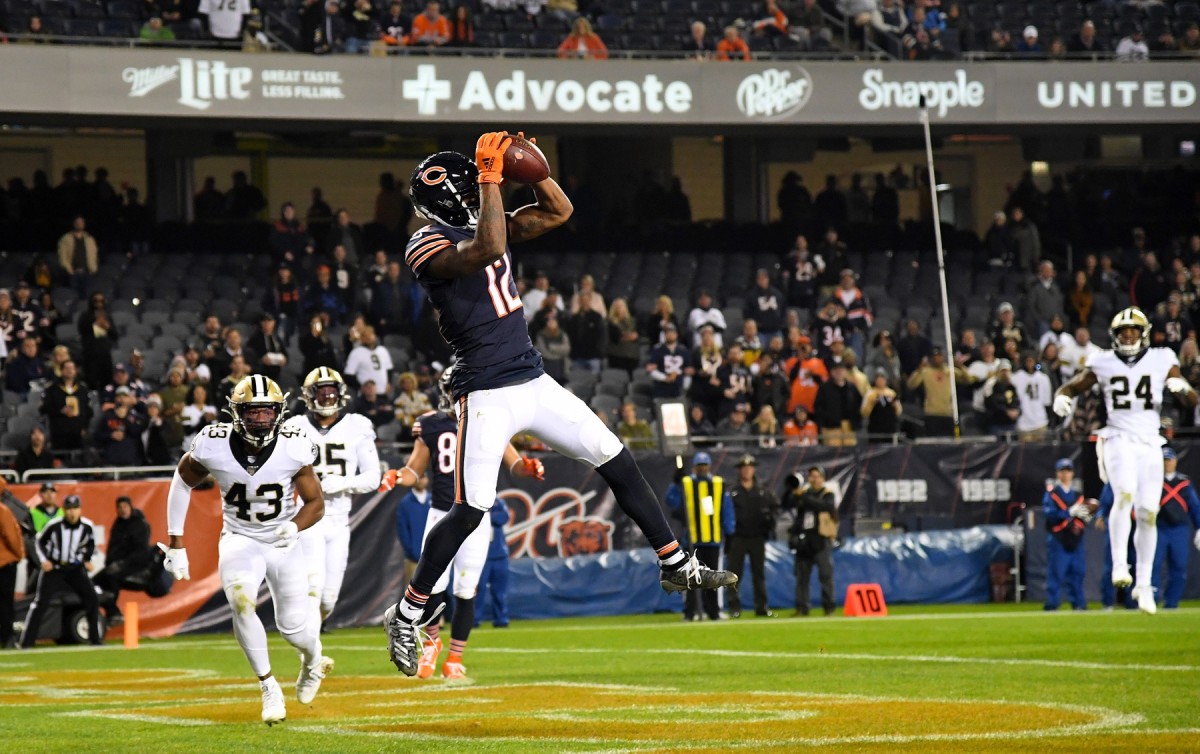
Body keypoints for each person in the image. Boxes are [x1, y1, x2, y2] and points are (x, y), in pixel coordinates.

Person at [384, 135, 734, 675]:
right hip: (485, 389)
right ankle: (407, 613)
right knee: (471, 508)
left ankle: (675, 562)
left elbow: (559, 210)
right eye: (476, 183)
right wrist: (493, 178)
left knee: (615, 456)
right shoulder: (425, 243)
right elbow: (488, 249)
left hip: (531, 376)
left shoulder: (484, 217)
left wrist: (533, 168)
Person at [158, 375, 332, 723]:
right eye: (252, 413)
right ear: (236, 413)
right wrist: (176, 540)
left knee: (294, 629)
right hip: (240, 537)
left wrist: (294, 525)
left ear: (279, 412)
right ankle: (268, 686)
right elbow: (182, 480)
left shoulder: (293, 445)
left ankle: (312, 662)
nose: (261, 420)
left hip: (282, 541)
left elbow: (316, 503)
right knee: (240, 601)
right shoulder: (213, 442)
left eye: (267, 412)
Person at [378, 366, 545, 678]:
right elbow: (415, 470)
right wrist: (398, 476)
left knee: (467, 588)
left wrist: (528, 468)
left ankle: (454, 658)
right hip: (442, 515)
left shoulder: (490, 420)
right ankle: (432, 644)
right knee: (431, 586)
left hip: (477, 519)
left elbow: (514, 464)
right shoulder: (430, 424)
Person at [1052, 307, 1198, 615]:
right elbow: (1075, 385)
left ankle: (1144, 584)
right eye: (1123, 332)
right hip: (1118, 438)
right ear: (1114, 336)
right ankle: (1120, 564)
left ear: (1143, 334)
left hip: (1150, 442)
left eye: (1133, 330)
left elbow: (1190, 397)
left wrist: (1182, 388)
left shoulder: (1161, 358)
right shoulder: (1102, 361)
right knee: (1124, 494)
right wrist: (1062, 395)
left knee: (1148, 512)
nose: (1128, 335)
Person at [284, 368, 381, 629]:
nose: (327, 397)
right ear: (309, 395)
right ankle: (311, 656)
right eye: (322, 392)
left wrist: (343, 483)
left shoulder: (356, 425)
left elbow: (374, 477)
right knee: (313, 587)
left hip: (340, 519)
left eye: (331, 391)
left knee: (328, 599)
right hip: (309, 516)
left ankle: (309, 635)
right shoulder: (295, 427)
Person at [20, 495, 103, 647]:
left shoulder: (87, 526)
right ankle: (26, 642)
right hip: (56, 568)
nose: (72, 513)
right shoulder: (54, 525)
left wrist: (88, 560)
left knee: (92, 599)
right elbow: (39, 542)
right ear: (64, 510)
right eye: (69, 509)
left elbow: (91, 545)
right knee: (40, 603)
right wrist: (44, 561)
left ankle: (95, 640)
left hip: (75, 568)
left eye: (75, 509)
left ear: (80, 510)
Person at [665, 452, 735, 621]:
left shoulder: (718, 484)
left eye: (705, 465)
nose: (702, 468)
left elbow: (726, 510)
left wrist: (730, 532)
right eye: (699, 466)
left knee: (711, 579)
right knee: (690, 577)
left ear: (709, 466)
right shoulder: (686, 483)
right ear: (694, 467)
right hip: (692, 540)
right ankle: (691, 611)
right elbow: (671, 501)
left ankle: (713, 612)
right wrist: (675, 484)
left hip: (712, 539)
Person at [725, 454, 777, 618]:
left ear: (753, 469)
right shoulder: (732, 492)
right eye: (744, 468)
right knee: (734, 574)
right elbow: (725, 513)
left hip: (757, 537)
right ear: (740, 470)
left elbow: (774, 509)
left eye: (749, 467)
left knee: (759, 574)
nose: (747, 470)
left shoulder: (763, 491)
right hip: (738, 537)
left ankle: (761, 607)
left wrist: (769, 522)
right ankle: (734, 607)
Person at [785, 465, 837, 616]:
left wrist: (805, 497)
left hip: (821, 539)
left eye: (817, 476)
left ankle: (829, 607)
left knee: (825, 576)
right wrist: (793, 491)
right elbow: (787, 504)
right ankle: (802, 608)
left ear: (822, 478)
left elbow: (825, 506)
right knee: (802, 577)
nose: (814, 479)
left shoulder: (827, 494)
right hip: (804, 540)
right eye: (812, 476)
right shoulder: (802, 493)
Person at [1152, 447, 1200, 609]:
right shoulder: (1153, 482)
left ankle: (1172, 603)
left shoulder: (1184, 483)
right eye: (1164, 460)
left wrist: (1199, 527)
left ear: (1175, 461)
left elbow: (1194, 506)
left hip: (1179, 529)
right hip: (1158, 528)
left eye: (1169, 460)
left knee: (1178, 567)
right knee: (1154, 565)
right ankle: (1151, 599)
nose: (1167, 464)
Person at [93, 496, 153, 616]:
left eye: (125, 506)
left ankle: (113, 613)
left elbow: (141, 551)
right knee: (96, 580)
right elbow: (113, 546)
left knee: (112, 577)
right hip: (118, 563)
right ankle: (109, 610)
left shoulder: (138, 524)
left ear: (130, 507)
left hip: (136, 564)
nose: (122, 510)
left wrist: (121, 564)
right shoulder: (118, 524)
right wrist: (109, 563)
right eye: (119, 507)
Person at [1043, 458, 1089, 611]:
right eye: (1062, 471)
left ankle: (1079, 603)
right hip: (1059, 538)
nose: (1065, 474)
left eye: (1068, 471)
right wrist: (1067, 512)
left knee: (1078, 572)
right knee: (1056, 572)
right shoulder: (1052, 494)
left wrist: (1086, 516)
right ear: (1057, 474)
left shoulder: (1078, 495)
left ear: (1072, 473)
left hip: (1076, 538)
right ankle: (1052, 604)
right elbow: (1049, 515)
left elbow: (1083, 516)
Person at [476, 498, 511, 628]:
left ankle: (501, 619)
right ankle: (474, 619)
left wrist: (485, 515)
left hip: (499, 554)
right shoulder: (472, 501)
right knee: (478, 590)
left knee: (500, 591)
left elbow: (504, 517)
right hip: (480, 554)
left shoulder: (498, 502)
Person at [394, 473, 429, 594]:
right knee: (413, 595)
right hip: (414, 559)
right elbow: (402, 531)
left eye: (423, 477)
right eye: (418, 477)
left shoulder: (433, 501)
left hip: (434, 559)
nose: (421, 480)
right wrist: (412, 552)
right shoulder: (405, 503)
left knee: (436, 594)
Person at [1010, 352, 1052, 441]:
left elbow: (1047, 401)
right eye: (1027, 361)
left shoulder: (1043, 378)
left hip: (1040, 421)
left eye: (1032, 361)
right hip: (1024, 423)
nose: (1030, 363)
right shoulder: (1016, 377)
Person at [0, 498, 24, 648]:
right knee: (5, 602)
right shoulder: (2, 510)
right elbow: (11, 536)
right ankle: (8, 638)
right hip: (4, 562)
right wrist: (18, 554)